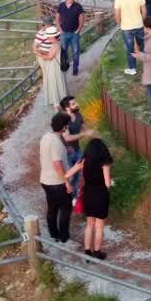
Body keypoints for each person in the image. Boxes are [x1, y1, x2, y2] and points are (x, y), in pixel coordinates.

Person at [66, 135, 112, 259]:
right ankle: (97, 252)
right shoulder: (105, 163)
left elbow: (67, 174)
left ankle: (87, 251)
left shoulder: (83, 161)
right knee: (99, 225)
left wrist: (67, 184)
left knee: (89, 224)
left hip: (88, 195)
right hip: (101, 195)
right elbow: (107, 183)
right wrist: (108, 187)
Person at [40, 113, 74, 243]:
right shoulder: (56, 142)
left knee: (52, 209)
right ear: (64, 127)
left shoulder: (46, 137)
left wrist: (66, 150)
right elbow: (57, 163)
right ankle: (64, 236)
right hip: (57, 182)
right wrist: (67, 182)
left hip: (45, 180)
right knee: (65, 210)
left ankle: (53, 234)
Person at [114, 0, 147, 76]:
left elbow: (117, 15)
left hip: (126, 27)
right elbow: (144, 11)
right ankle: (147, 64)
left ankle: (132, 68)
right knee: (142, 45)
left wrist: (120, 24)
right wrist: (142, 20)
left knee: (130, 48)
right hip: (139, 24)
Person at [58, 96, 89, 196]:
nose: (77, 105)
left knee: (81, 174)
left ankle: (75, 197)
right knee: (69, 177)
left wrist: (93, 136)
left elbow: (84, 127)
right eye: (73, 104)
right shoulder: (63, 120)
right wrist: (84, 134)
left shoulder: (78, 115)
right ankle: (68, 196)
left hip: (77, 150)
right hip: (65, 154)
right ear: (67, 108)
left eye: (75, 103)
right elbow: (67, 138)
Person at [33, 26, 67, 107]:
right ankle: (61, 99)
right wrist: (41, 51)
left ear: (52, 36)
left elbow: (49, 57)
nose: (47, 37)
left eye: (48, 36)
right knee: (59, 82)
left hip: (54, 68)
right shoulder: (57, 43)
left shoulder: (55, 45)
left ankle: (57, 103)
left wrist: (38, 53)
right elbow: (50, 53)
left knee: (54, 83)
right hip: (55, 67)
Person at [56, 0, 85, 76]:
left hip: (74, 34)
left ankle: (75, 68)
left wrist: (78, 30)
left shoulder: (78, 6)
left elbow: (82, 19)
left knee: (76, 51)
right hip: (64, 33)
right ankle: (65, 66)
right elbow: (57, 18)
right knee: (64, 51)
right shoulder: (61, 6)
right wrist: (60, 30)